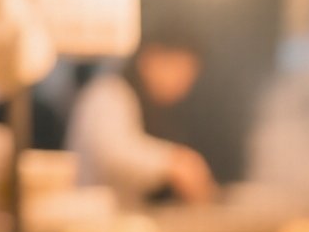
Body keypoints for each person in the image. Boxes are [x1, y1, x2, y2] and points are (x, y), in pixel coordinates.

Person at [66, 32, 216, 205]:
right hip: (91, 223)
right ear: (150, 58)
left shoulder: (151, 106)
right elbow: (112, 155)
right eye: (178, 68)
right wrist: (174, 162)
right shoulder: (109, 92)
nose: (183, 83)